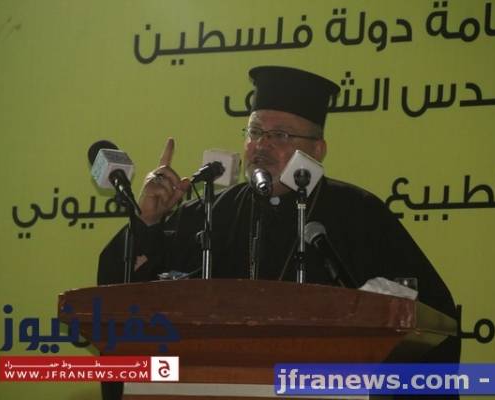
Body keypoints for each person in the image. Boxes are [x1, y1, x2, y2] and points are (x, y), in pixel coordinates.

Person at [98, 66, 460, 399]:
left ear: (317, 150)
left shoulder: (360, 214)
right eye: (255, 132)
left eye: (281, 135)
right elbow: (119, 297)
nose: (262, 145)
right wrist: (147, 222)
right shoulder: (211, 212)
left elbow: (432, 321)